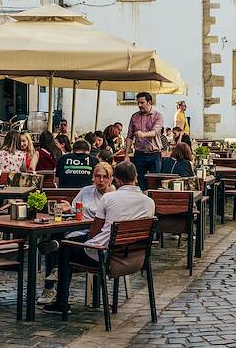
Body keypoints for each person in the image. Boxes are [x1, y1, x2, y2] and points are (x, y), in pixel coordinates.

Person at [43, 162, 154, 315]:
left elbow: (95, 232)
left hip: (106, 256)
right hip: (136, 258)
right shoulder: (149, 202)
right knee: (69, 244)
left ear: (117, 180)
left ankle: (61, 302)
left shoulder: (109, 198)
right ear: (136, 177)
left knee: (64, 248)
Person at [36, 161, 114, 305]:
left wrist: (81, 212)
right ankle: (53, 277)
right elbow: (75, 209)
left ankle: (55, 289)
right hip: (78, 230)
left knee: (62, 247)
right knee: (56, 238)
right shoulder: (86, 191)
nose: (101, 180)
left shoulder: (113, 197)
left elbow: (102, 220)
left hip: (96, 238)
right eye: (98, 176)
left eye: (105, 177)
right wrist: (68, 208)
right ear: (93, 177)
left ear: (111, 178)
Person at [128, 92, 165, 190]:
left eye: (142, 103)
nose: (139, 105)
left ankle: (153, 203)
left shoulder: (158, 116)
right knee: (140, 181)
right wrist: (126, 155)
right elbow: (129, 136)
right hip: (139, 154)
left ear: (149, 102)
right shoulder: (134, 116)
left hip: (154, 154)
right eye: (138, 103)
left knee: (155, 181)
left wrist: (143, 134)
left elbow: (155, 132)